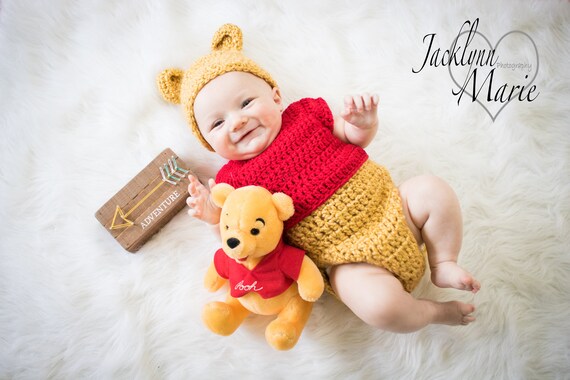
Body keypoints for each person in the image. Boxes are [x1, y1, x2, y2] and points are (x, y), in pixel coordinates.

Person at [157, 24, 481, 333]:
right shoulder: (235, 182)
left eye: (245, 103)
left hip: (398, 209)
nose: (238, 121)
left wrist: (363, 124)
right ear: (208, 143)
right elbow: (242, 238)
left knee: (432, 189)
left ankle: (443, 261)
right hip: (350, 262)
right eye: (217, 124)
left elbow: (351, 137)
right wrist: (214, 218)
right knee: (380, 308)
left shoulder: (306, 116)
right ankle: (434, 312)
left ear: (276, 97)